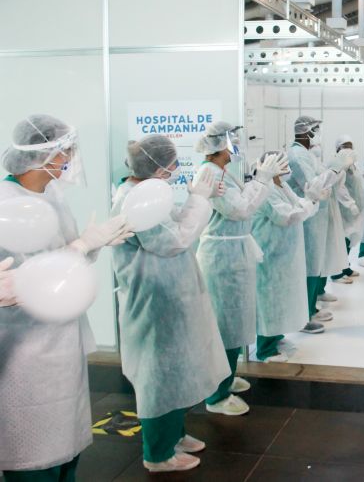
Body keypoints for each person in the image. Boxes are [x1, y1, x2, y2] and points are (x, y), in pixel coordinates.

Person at [0, 115, 132, 481]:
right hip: (24, 347)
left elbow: (64, 261)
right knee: (31, 446)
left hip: (63, 339)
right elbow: (28, 279)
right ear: (45, 155)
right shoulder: (6, 203)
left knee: (65, 441)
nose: (71, 158)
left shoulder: (52, 195)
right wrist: (83, 245)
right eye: (66, 151)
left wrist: (91, 244)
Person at [111, 134, 229, 473]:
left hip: (169, 294)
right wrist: (200, 202)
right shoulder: (134, 200)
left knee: (178, 370)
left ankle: (174, 434)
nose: (177, 169)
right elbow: (174, 240)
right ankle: (158, 453)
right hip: (153, 300)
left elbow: (174, 219)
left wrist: (195, 199)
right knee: (159, 375)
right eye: (173, 163)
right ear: (157, 167)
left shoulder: (148, 192)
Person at [193, 123, 289, 416]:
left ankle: (227, 376)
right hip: (222, 257)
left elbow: (241, 202)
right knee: (225, 325)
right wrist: (261, 180)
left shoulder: (223, 171)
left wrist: (260, 180)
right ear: (220, 144)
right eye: (233, 140)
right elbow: (240, 210)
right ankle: (216, 396)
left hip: (233, 252)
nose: (238, 143)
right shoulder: (208, 172)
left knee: (235, 322)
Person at [288, 116, 354, 332]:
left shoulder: (306, 154)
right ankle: (303, 316)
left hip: (317, 217)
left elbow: (326, 180)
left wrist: (338, 170)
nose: (318, 133)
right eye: (316, 129)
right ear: (306, 131)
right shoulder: (297, 156)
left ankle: (310, 308)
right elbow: (313, 186)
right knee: (309, 267)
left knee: (315, 264)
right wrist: (336, 168)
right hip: (308, 220)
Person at [251, 152, 319, 360]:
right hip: (270, 254)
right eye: (283, 164)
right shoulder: (266, 190)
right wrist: (310, 201)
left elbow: (299, 207)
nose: (288, 167)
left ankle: (276, 337)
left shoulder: (281, 185)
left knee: (282, 298)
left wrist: (310, 201)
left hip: (284, 254)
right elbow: (287, 216)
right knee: (270, 301)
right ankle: (265, 350)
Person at [331, 135, 364, 284]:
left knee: (349, 238)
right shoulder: (339, 165)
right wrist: (349, 203)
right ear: (338, 149)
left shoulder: (352, 164)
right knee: (341, 240)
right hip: (343, 208)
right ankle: (337, 273)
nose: (349, 149)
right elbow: (339, 187)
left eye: (351, 146)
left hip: (353, 208)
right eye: (345, 146)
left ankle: (345, 267)